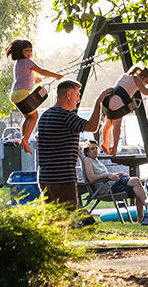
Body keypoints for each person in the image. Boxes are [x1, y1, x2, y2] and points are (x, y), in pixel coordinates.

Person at [36, 79, 102, 210]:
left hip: (45, 176)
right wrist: (98, 103)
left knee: (50, 217)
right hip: (62, 177)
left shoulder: (44, 116)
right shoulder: (66, 116)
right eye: (77, 95)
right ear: (68, 95)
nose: (78, 99)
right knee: (66, 217)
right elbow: (92, 126)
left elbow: (44, 142)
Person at [5, 39, 63, 154]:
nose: (29, 53)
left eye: (30, 50)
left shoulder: (19, 63)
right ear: (20, 51)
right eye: (26, 51)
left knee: (28, 118)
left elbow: (23, 78)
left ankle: (23, 139)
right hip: (22, 94)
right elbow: (42, 71)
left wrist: (34, 80)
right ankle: (25, 139)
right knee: (34, 117)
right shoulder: (27, 61)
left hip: (15, 94)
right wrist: (55, 76)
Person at [100, 66, 148, 155]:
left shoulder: (125, 75)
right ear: (145, 78)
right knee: (117, 126)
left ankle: (105, 142)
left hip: (107, 99)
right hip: (117, 101)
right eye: (145, 83)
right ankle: (114, 147)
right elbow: (145, 91)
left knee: (108, 123)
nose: (143, 84)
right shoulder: (137, 79)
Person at [81, 143, 147, 223]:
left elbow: (107, 175)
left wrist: (119, 173)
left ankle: (142, 219)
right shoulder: (87, 160)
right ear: (87, 152)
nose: (95, 150)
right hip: (106, 188)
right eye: (92, 149)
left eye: (96, 148)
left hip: (111, 184)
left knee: (137, 188)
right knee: (136, 181)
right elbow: (91, 178)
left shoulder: (96, 160)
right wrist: (108, 175)